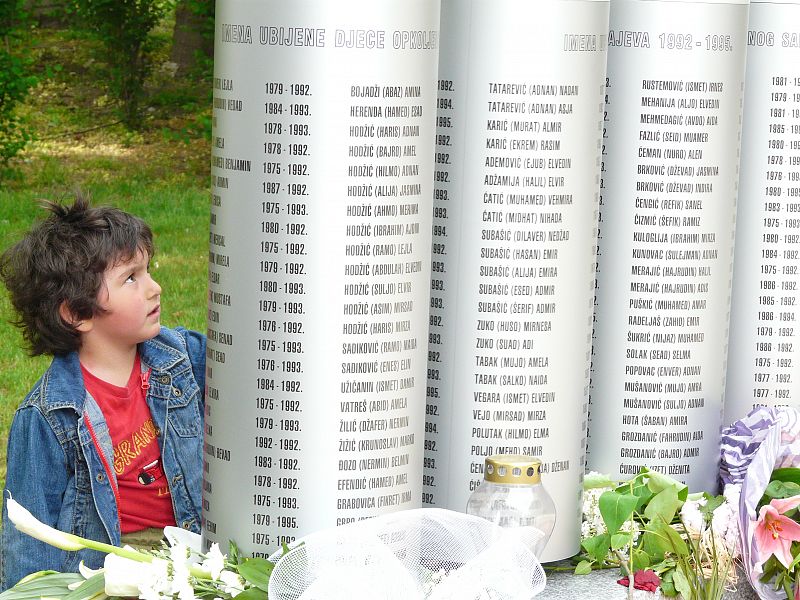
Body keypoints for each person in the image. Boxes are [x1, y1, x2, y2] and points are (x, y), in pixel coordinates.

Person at [0, 195, 206, 589]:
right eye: (131, 278)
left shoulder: (178, 356)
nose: (154, 288)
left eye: (148, 271)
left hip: (195, 549)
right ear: (77, 313)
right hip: (114, 569)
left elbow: (248, 367)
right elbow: (29, 538)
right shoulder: (48, 416)